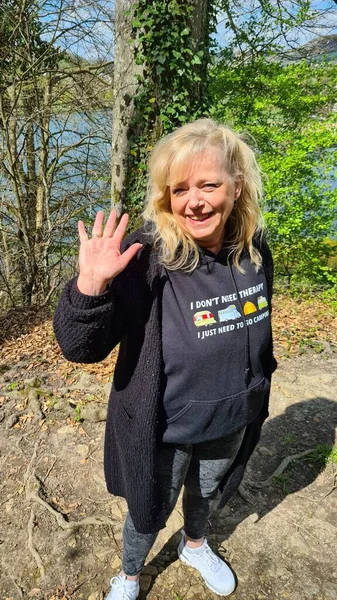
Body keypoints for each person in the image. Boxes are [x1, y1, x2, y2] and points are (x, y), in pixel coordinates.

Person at [53, 118, 276, 599]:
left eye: (209, 184)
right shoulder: (148, 260)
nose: (194, 201)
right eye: (180, 189)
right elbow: (79, 347)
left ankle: (195, 544)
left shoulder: (255, 249)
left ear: (236, 187)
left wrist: (258, 383)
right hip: (166, 429)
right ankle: (130, 573)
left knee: (207, 492)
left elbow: (260, 326)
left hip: (232, 416)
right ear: (167, 198)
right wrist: (90, 289)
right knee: (148, 507)